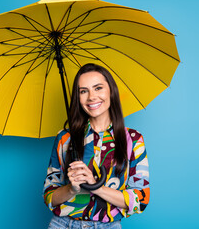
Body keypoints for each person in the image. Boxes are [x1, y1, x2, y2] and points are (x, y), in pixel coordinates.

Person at [43, 63, 150, 228]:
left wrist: (94, 185)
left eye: (98, 88)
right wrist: (72, 189)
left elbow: (139, 200)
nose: (91, 97)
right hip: (63, 224)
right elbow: (49, 196)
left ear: (111, 91)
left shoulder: (133, 140)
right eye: (83, 91)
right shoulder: (65, 138)